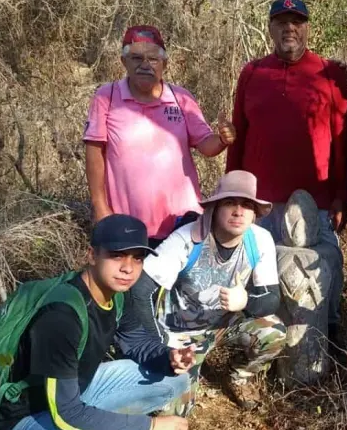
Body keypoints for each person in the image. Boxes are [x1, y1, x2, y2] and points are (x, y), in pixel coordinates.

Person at [0, 215, 193, 430]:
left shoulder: (117, 294)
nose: (129, 267)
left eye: (137, 257)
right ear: (91, 255)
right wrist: (149, 426)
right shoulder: (62, 317)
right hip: (28, 416)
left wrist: (169, 358)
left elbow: (135, 340)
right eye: (117, 255)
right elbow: (66, 413)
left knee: (175, 379)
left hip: (73, 389)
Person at [226, 0, 347, 341]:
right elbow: (239, 134)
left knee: (324, 273)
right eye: (281, 22)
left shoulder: (331, 73)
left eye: (296, 21)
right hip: (260, 202)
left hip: (316, 202)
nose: (289, 28)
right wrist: (232, 194)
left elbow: (342, 140)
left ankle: (328, 336)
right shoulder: (252, 73)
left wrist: (341, 195)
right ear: (270, 28)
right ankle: (263, 343)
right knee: (259, 276)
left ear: (308, 27)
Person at [118, 170, 287, 411]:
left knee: (274, 333)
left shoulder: (260, 240)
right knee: (173, 411)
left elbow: (272, 299)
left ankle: (237, 376)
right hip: (179, 332)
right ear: (215, 208)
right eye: (230, 203)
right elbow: (139, 291)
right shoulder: (187, 238)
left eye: (247, 205)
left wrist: (246, 301)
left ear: (255, 213)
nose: (238, 212)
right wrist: (159, 347)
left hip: (225, 324)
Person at [84, 25, 236, 246]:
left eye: (153, 59)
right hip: (128, 223)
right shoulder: (106, 97)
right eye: (136, 58)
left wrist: (223, 139)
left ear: (165, 64)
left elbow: (206, 145)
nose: (145, 65)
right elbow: (94, 152)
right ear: (123, 62)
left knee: (182, 281)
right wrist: (100, 207)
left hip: (183, 224)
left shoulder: (181, 98)